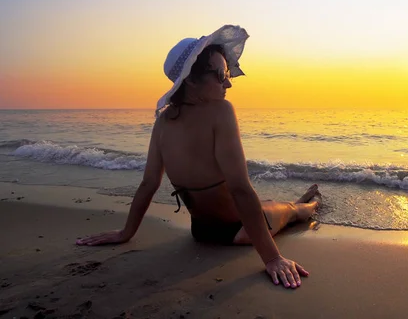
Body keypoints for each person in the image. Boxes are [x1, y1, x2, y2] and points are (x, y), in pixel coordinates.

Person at [76, 25, 321, 289]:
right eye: (220, 74)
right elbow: (239, 188)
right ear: (190, 79)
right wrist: (272, 258)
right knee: (295, 212)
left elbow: (149, 184)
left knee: (268, 205)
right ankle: (310, 204)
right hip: (239, 232)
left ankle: (296, 201)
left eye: (227, 73)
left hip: (201, 232)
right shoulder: (221, 111)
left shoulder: (163, 122)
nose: (228, 82)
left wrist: (125, 233)